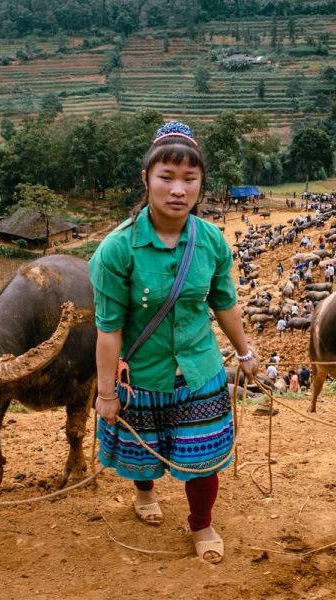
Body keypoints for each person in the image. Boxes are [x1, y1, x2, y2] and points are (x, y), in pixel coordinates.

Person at [89, 121, 257, 564]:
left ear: (202, 184)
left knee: (202, 458)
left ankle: (201, 523)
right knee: (143, 450)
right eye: (166, 177)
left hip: (199, 370)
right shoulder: (116, 250)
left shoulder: (213, 242)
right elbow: (109, 328)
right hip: (142, 372)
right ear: (146, 179)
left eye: (190, 179)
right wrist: (106, 393)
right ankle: (144, 493)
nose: (178, 189)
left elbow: (224, 303)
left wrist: (245, 352)